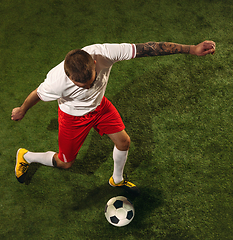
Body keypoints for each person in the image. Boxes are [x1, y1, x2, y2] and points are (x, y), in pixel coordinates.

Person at [11, 41, 216, 193]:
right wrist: (22, 109)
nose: (90, 86)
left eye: (92, 81)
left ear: (93, 61)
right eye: (82, 86)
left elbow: (149, 48)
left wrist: (191, 49)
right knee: (65, 163)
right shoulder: (55, 81)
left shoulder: (105, 52)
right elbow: (37, 94)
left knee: (124, 142)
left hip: (100, 107)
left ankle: (116, 180)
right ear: (69, 76)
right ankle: (26, 156)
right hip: (73, 118)